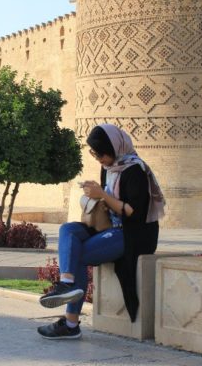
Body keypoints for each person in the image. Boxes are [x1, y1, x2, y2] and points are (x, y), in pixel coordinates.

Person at [37, 123, 165, 340]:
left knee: (79, 254)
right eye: (94, 154)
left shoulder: (135, 170)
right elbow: (111, 203)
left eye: (100, 154)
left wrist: (103, 195)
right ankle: (67, 283)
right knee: (68, 230)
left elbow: (133, 212)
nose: (98, 159)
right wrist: (96, 196)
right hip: (109, 227)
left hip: (134, 234)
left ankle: (70, 323)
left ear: (114, 148)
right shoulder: (109, 168)